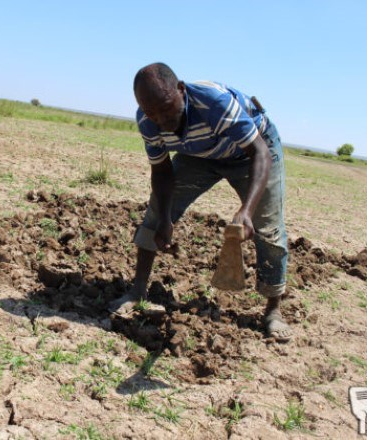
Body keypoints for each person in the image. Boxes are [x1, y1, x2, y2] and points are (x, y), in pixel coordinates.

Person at [111, 62, 292, 342]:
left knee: (267, 227)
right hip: (199, 156)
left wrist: (246, 210)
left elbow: (260, 153)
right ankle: (136, 292)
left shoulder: (213, 103)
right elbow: (161, 171)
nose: (162, 119)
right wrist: (166, 220)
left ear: (181, 89)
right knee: (157, 212)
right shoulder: (148, 120)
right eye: (152, 112)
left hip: (250, 154)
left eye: (167, 107)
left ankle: (273, 310)